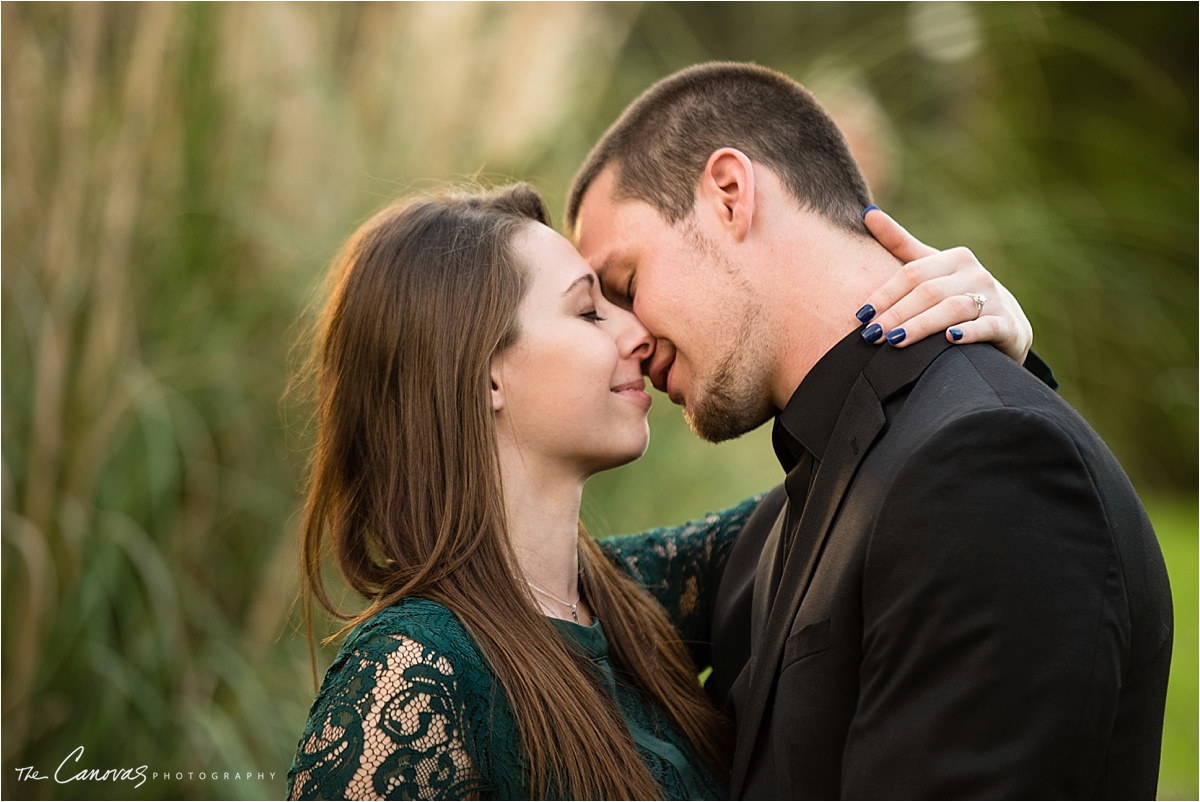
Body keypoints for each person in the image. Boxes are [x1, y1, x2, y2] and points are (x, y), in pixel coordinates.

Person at [285, 180, 1031, 800]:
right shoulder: (414, 671)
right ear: (481, 374)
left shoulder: (633, 598)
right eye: (587, 310)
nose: (636, 333)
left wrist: (978, 346)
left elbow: (872, 486)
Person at [565, 61, 1174, 799]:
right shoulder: (776, 525)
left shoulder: (987, 465)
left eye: (625, 283)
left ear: (729, 195)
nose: (624, 336)